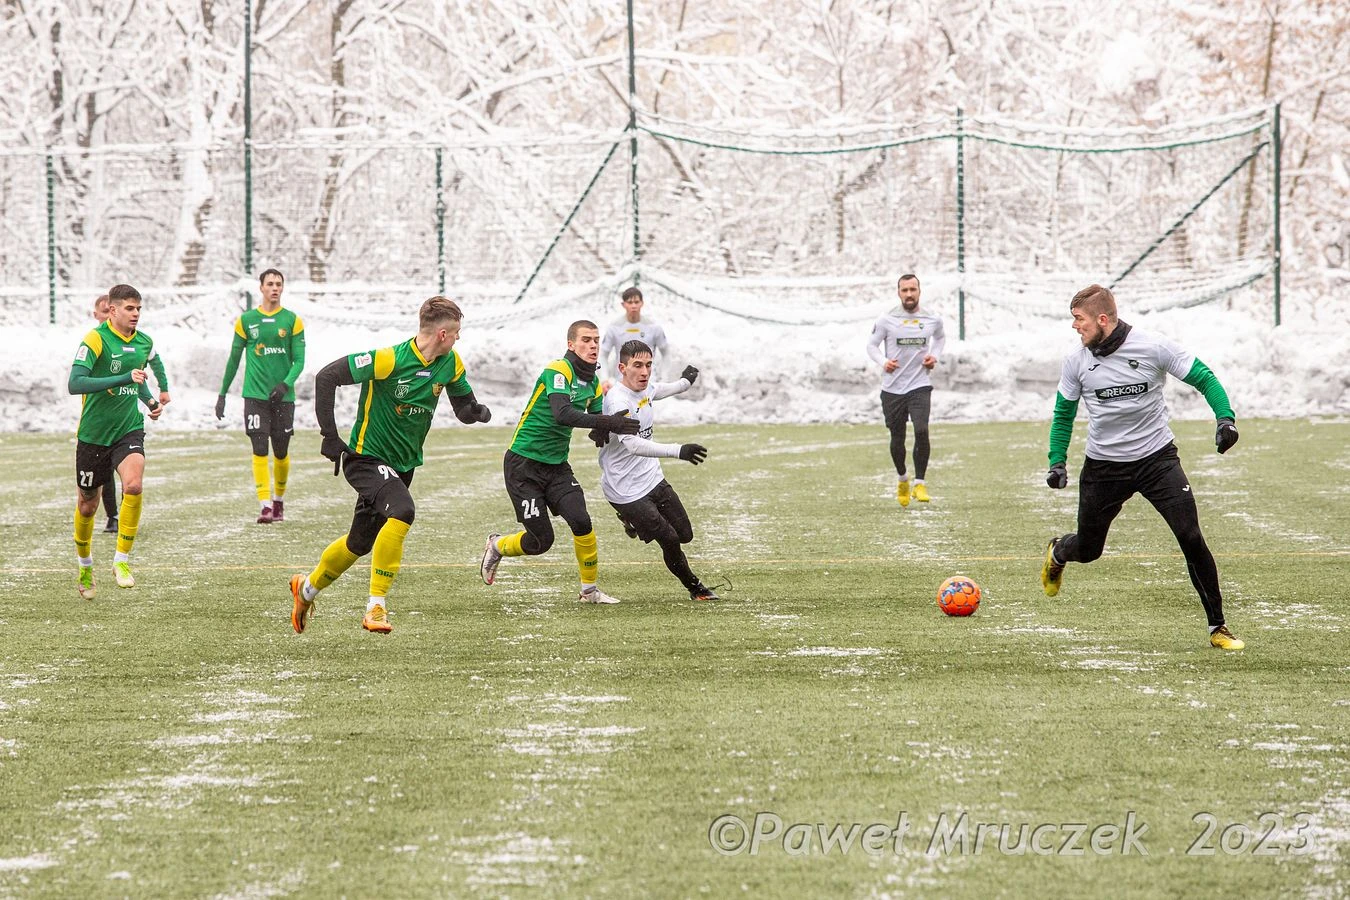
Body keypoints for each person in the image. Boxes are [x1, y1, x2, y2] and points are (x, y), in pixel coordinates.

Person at [1040, 284, 1245, 651]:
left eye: (1079, 319)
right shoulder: (1076, 361)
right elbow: (1063, 414)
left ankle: (1218, 627)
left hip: (1157, 460)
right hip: (1104, 467)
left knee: (1191, 536)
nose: (1075, 326)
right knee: (1088, 549)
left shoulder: (1153, 346)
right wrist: (1057, 461)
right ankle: (1059, 552)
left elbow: (1204, 377)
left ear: (1103, 319)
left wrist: (1225, 419)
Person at [288, 296, 491, 635]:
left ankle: (306, 589)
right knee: (402, 511)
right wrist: (330, 436)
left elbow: (463, 408)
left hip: (403, 465)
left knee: (359, 542)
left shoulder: (450, 363)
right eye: (456, 332)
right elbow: (326, 377)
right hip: (366, 459)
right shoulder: (388, 359)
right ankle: (376, 607)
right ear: (442, 334)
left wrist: (476, 412)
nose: (458, 338)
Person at [480, 320, 641, 603]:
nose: (593, 345)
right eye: (586, 340)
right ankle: (497, 545)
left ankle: (589, 591)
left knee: (581, 521)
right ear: (571, 344)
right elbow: (562, 413)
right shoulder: (558, 369)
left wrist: (608, 426)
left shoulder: (593, 383)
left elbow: (597, 421)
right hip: (523, 465)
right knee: (541, 541)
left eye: (596, 340)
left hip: (556, 467)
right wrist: (606, 422)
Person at [594, 339, 717, 601]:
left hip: (652, 478)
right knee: (670, 540)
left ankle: (631, 522)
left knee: (685, 534)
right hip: (625, 490)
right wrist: (678, 450)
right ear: (622, 368)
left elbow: (659, 389)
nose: (645, 372)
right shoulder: (618, 401)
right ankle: (696, 588)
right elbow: (633, 445)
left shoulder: (645, 387)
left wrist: (685, 382)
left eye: (648, 365)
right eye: (637, 365)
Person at [68, 284, 166, 598]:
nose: (135, 314)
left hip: (128, 429)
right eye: (129, 308)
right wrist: (124, 378)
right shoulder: (95, 339)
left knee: (134, 485)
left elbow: (137, 380)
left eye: (138, 309)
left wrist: (150, 402)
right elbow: (75, 383)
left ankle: (121, 560)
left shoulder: (143, 342)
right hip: (94, 435)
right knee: (87, 505)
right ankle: (85, 566)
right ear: (112, 310)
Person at [216, 269, 306, 524]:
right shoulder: (246, 320)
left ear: (282, 288)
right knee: (259, 447)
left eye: (279, 284)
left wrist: (285, 384)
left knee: (280, 451)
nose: (275, 288)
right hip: (254, 396)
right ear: (261, 288)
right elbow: (234, 360)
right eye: (270, 284)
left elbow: (299, 361)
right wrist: (222, 394)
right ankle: (265, 505)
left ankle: (278, 500)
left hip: (283, 398)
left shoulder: (292, 321)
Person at [867, 274, 945, 506]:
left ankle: (919, 483)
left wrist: (934, 356)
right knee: (897, 437)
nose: (909, 294)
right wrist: (884, 362)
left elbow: (940, 338)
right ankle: (902, 478)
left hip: (920, 384)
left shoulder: (932, 318)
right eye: (904, 290)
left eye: (913, 289)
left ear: (919, 291)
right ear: (898, 292)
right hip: (892, 388)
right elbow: (871, 346)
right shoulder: (887, 319)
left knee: (921, 430)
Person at [599, 286, 668, 390]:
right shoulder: (614, 327)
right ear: (623, 304)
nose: (634, 306)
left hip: (649, 382)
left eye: (636, 302)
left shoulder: (653, 327)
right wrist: (605, 379)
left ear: (642, 303)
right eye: (630, 302)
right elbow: (603, 355)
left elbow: (666, 353)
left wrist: (664, 379)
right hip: (622, 382)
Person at [91, 294, 119, 534]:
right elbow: (78, 380)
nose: (108, 315)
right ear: (96, 315)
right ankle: (111, 515)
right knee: (102, 471)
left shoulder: (129, 341)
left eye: (111, 310)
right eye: (104, 311)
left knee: (127, 470)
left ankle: (119, 514)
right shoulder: (93, 341)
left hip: (123, 418)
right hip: (97, 418)